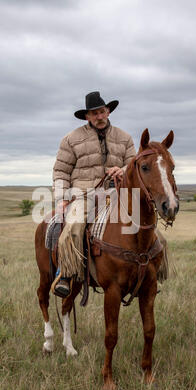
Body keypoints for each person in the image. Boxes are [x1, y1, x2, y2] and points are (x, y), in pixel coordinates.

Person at [52, 91, 136, 297]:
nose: (99, 116)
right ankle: (66, 274)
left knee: (145, 226)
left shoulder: (124, 138)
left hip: (117, 193)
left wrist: (122, 170)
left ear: (108, 111)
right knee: (73, 226)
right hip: (82, 194)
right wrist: (62, 199)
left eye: (101, 112)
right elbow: (61, 171)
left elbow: (134, 165)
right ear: (87, 117)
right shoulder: (71, 139)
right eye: (94, 114)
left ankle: (152, 271)